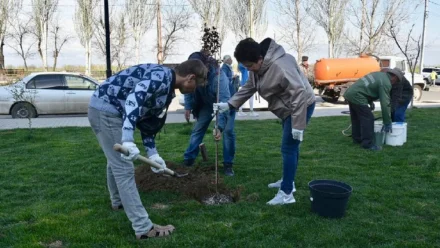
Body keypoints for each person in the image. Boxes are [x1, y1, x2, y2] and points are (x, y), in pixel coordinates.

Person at [88, 60, 207, 240]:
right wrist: (127, 139)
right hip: (107, 109)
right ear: (190, 78)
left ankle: (118, 202)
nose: (194, 89)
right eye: (196, 85)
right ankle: (143, 228)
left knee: (115, 161)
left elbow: (147, 122)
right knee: (124, 168)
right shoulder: (160, 77)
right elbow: (133, 100)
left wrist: (153, 154)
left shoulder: (166, 87)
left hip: (108, 109)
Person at [214, 38, 316, 205]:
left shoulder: (281, 66)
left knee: (288, 147)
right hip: (288, 108)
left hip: (301, 106)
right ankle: (288, 181)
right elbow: (249, 87)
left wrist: (298, 125)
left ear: (260, 59)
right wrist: (229, 104)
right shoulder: (258, 67)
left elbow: (299, 93)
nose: (249, 70)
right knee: (291, 147)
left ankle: (286, 194)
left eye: (250, 66)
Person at [183, 51, 237, 176]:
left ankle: (228, 164)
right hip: (207, 104)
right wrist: (188, 107)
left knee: (228, 131)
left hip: (227, 103)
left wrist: (219, 126)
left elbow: (224, 101)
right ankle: (188, 159)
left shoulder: (219, 76)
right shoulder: (193, 73)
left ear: (204, 67)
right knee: (198, 129)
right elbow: (188, 88)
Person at [343, 68, 402, 151]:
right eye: (397, 81)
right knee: (368, 118)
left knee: (356, 118)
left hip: (350, 93)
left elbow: (368, 87)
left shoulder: (379, 74)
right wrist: (387, 122)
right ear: (394, 77)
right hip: (357, 96)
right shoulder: (386, 83)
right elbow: (385, 104)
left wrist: (370, 101)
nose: (395, 83)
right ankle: (367, 144)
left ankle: (357, 139)